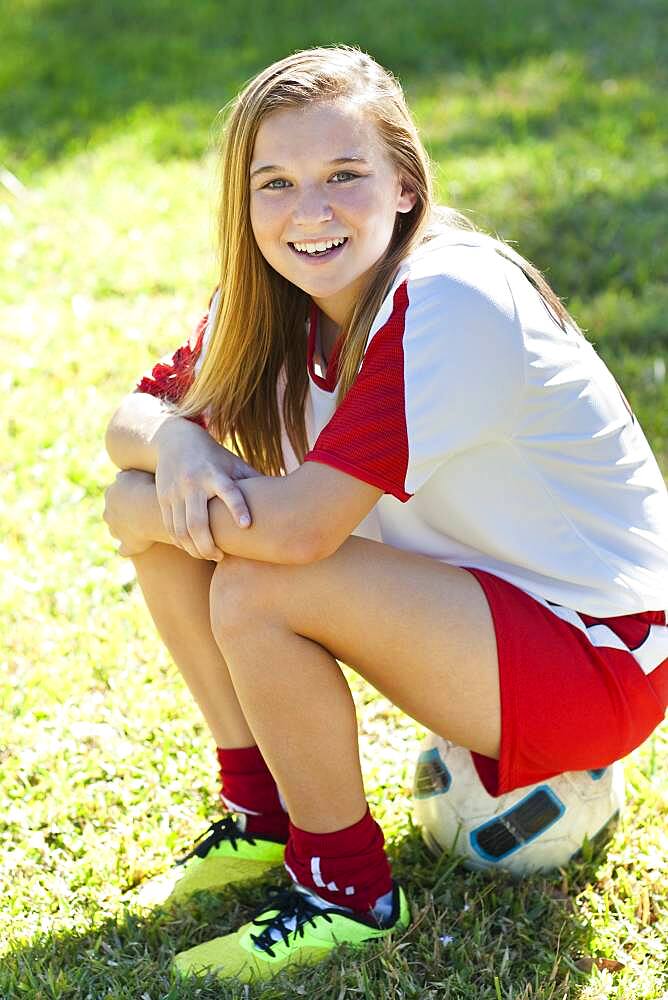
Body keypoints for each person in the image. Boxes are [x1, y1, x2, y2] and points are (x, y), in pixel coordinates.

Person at [103, 45, 668, 983]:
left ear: (406, 185)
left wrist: (150, 490)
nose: (308, 211)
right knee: (170, 522)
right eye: (275, 183)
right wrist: (174, 446)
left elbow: (298, 534)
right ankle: (260, 814)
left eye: (344, 176)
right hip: (481, 609)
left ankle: (345, 891)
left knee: (253, 581)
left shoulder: (450, 299)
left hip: (601, 653)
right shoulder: (282, 297)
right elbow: (131, 421)